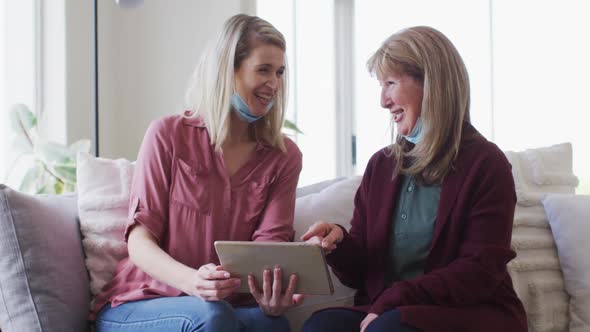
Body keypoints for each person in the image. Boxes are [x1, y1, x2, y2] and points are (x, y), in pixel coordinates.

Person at [301, 26, 527, 332]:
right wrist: (338, 242)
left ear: (431, 84)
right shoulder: (381, 166)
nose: (383, 100)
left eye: (391, 83)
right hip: (390, 310)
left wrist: (395, 298)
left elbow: (479, 272)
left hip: (467, 312)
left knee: (390, 328)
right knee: (322, 326)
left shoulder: (487, 164)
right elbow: (363, 273)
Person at [90, 14, 304, 332]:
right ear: (228, 71)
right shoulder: (168, 135)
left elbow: (267, 252)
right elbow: (139, 241)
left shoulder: (284, 158)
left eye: (279, 72)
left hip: (224, 309)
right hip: (140, 302)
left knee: (271, 325)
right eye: (263, 70)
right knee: (212, 317)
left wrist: (270, 296)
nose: (274, 84)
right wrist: (194, 282)